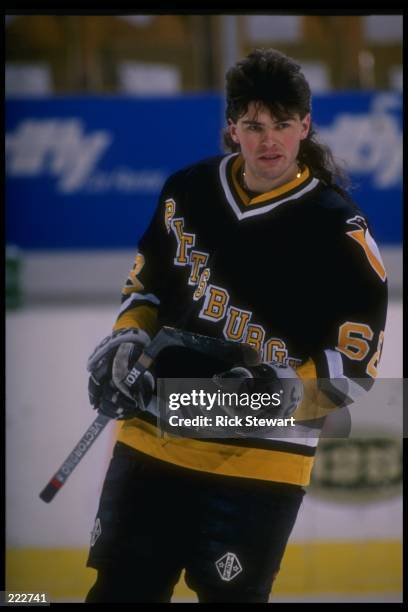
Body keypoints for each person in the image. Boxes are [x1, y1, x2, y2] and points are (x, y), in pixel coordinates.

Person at [85, 48, 388, 603]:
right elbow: (146, 289)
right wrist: (128, 338)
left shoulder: (338, 229)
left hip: (261, 462)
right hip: (154, 441)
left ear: (305, 126)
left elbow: (354, 369)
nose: (267, 140)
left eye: (281, 125)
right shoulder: (186, 190)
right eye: (253, 125)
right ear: (232, 128)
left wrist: (274, 395)